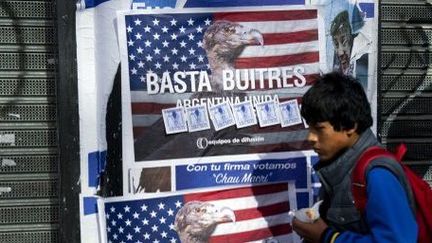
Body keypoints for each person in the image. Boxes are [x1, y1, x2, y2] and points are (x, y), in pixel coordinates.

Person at [292, 72, 417, 243]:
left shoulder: (377, 174)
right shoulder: (340, 168)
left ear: (350, 126)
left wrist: (327, 237)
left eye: (319, 129)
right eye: (310, 128)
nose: (310, 138)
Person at [330, 10, 369, 90]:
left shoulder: (364, 63)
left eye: (344, 42)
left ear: (353, 39)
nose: (340, 52)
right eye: (336, 45)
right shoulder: (336, 68)